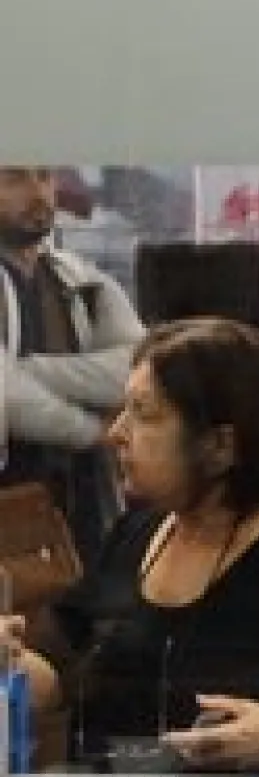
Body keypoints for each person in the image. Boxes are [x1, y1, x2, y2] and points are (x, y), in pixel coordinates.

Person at [1, 318, 259, 772]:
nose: (116, 432)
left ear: (220, 445)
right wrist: (11, 662)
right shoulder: (134, 535)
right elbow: (56, 675)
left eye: (144, 414)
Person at [0, 166, 146, 566]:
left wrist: (28, 370)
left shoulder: (82, 281)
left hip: (83, 508)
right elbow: (9, 401)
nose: (37, 192)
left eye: (44, 177)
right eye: (14, 178)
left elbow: (139, 369)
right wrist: (94, 432)